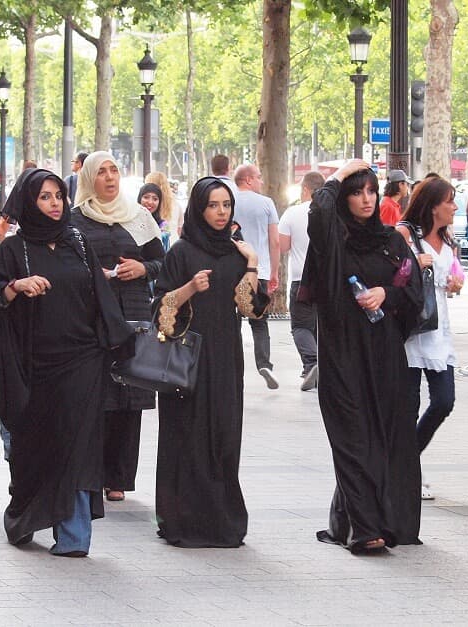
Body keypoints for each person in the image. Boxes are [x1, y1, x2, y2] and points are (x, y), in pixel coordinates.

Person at [0, 168, 131, 556]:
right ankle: (25, 516)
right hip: (35, 367)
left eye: (58, 196)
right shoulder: (14, 250)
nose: (54, 204)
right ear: (29, 203)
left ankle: (74, 536)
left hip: (83, 360)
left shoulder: (77, 242)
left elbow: (99, 294)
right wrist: (15, 287)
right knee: (37, 449)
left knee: (78, 445)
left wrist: (115, 342)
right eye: (44, 197)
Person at [307, 160, 424, 554]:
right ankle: (364, 527)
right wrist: (340, 174)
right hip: (342, 353)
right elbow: (319, 211)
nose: (366, 199)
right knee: (353, 438)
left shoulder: (392, 242)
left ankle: (376, 520)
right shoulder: (333, 241)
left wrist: (386, 294)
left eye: (372, 191)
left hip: (385, 354)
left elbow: (413, 290)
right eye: (356, 192)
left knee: (386, 437)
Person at [151, 176, 269, 548]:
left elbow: (252, 309)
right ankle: (183, 520)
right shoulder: (181, 252)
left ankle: (222, 521)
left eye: (226, 205)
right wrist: (189, 288)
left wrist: (252, 263)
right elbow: (159, 311)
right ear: (199, 210)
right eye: (213, 205)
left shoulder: (237, 253)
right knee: (186, 436)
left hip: (225, 359)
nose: (221, 212)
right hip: (187, 359)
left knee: (223, 434)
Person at [69, 151, 164, 502]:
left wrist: (142, 269)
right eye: (101, 172)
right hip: (93, 315)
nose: (109, 177)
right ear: (88, 178)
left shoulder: (139, 217)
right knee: (97, 393)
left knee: (131, 393)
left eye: (114, 170)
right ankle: (93, 472)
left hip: (133, 311)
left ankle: (120, 477)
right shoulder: (75, 220)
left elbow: (162, 262)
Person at [396, 177, 462, 500]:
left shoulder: (448, 239)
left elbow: (456, 273)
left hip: (439, 331)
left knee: (444, 401)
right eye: (449, 201)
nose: (455, 207)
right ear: (433, 206)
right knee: (408, 408)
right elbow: (389, 276)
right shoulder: (405, 234)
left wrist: (455, 282)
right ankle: (407, 471)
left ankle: (406, 461)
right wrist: (412, 264)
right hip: (411, 332)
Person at [231, 163, 281, 389]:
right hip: (259, 270)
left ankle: (233, 364)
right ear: (249, 179)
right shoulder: (266, 203)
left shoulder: (228, 201)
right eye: (259, 177)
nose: (261, 181)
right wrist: (274, 271)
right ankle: (264, 364)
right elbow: (275, 241)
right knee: (259, 321)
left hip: (233, 271)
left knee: (232, 321)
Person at [277, 171, 325, 391]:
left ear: (305, 189)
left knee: (300, 326)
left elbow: (283, 246)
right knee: (320, 325)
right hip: (327, 278)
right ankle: (317, 367)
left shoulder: (293, 212)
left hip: (301, 278)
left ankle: (312, 362)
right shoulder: (332, 211)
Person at [145, 170, 183, 246]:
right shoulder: (176, 204)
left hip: (156, 246)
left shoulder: (149, 206)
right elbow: (180, 229)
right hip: (174, 244)